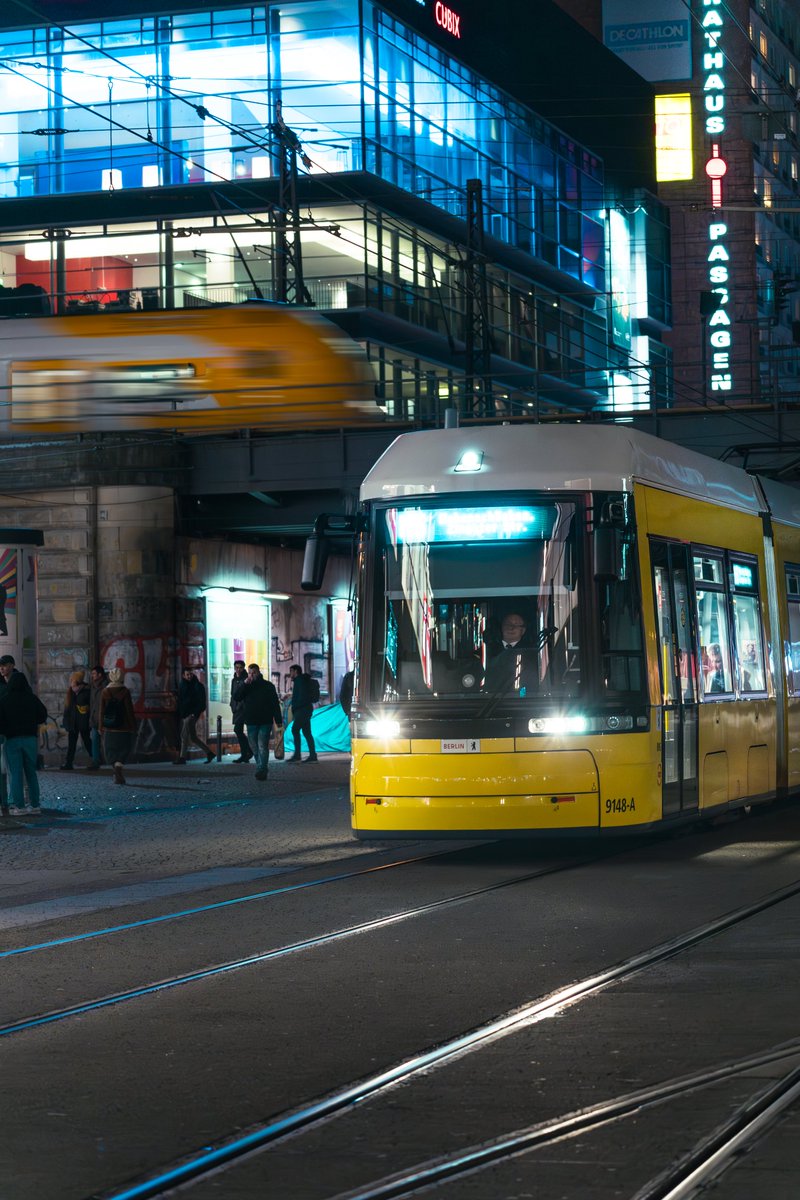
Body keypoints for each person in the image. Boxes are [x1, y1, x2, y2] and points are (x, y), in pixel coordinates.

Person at [0, 670, 46, 816]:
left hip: (12, 740)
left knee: (16, 774)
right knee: (31, 772)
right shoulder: (32, 698)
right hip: (30, 739)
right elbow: (43, 715)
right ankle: (35, 805)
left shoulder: (5, 700)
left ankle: (19, 806)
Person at [238, 663, 283, 781]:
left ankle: (262, 769)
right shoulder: (247, 686)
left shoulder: (268, 686)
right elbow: (236, 697)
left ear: (259, 672)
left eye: (254, 673)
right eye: (250, 673)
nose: (252, 675)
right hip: (251, 721)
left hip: (265, 720)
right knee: (253, 745)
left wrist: (278, 719)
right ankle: (261, 766)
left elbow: (275, 703)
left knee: (262, 745)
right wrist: (244, 684)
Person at [483, 612, 538, 695]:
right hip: (489, 699)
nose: (511, 628)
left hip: (519, 699)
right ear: (501, 627)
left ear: (523, 630)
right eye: (508, 624)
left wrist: (522, 696)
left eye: (516, 625)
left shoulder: (530, 654)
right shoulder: (487, 650)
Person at [99, 667, 137, 785]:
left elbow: (102, 711)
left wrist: (100, 726)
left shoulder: (105, 692)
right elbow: (129, 710)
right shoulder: (125, 691)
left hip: (109, 727)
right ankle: (118, 769)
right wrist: (133, 726)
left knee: (110, 750)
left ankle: (115, 770)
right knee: (124, 749)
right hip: (124, 727)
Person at [175, 667, 214, 765]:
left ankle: (182, 758)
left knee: (184, 735)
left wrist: (194, 714)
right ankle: (209, 753)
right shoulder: (182, 685)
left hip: (191, 715)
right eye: (187, 675)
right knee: (193, 737)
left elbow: (201, 703)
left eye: (191, 674)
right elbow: (181, 700)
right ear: (183, 675)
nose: (189, 676)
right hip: (185, 714)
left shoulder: (198, 686)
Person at [61, 669, 92, 770]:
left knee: (87, 741)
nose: (71, 682)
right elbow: (67, 709)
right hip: (72, 722)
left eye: (72, 680)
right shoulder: (71, 692)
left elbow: (90, 707)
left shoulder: (86, 691)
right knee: (71, 744)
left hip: (83, 722)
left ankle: (95, 759)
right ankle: (68, 763)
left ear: (77, 681)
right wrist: (65, 721)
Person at [288, 663, 318, 763]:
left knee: (295, 729)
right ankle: (312, 755)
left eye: (291, 671)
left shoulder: (300, 681)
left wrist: (295, 707)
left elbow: (302, 697)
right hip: (305, 709)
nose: (290, 673)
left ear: (295, 671)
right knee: (307, 732)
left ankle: (298, 755)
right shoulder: (301, 680)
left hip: (302, 710)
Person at [229, 658, 252, 763]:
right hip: (236, 709)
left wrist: (240, 706)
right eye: (236, 667)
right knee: (239, 730)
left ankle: (247, 752)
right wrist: (232, 705)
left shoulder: (246, 679)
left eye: (240, 668)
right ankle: (247, 753)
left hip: (243, 709)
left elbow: (246, 694)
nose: (238, 669)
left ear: (243, 668)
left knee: (238, 730)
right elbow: (232, 694)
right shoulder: (234, 680)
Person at [87, 664, 109, 770]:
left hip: (105, 719)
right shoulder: (92, 686)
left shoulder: (106, 686)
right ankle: (95, 761)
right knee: (95, 741)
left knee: (108, 741)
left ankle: (112, 761)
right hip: (94, 718)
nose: (92, 675)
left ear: (100, 675)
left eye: (94, 673)